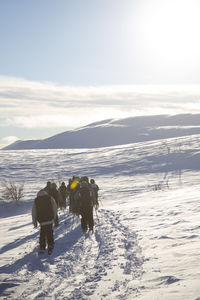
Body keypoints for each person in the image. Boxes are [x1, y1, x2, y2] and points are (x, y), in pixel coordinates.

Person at [32, 189, 57, 254]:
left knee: (42, 233)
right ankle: (50, 245)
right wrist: (54, 217)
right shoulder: (50, 198)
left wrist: (35, 222)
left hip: (42, 220)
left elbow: (34, 212)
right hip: (49, 218)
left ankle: (42, 246)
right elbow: (54, 208)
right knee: (50, 232)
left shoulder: (36, 200)